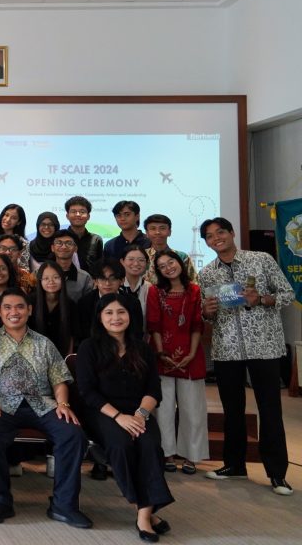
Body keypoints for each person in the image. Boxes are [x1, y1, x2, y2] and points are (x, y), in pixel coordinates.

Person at [0, 288, 90, 528]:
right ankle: (0, 500)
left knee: (72, 433)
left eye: (19, 307)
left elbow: (59, 379)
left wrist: (63, 404)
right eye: (7, 307)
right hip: (2, 404)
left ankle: (64, 505)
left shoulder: (44, 343)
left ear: (29, 310)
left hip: (42, 404)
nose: (13, 312)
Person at [198, 217, 293, 496]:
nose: (216, 239)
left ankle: (277, 474)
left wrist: (262, 299)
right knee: (232, 410)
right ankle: (234, 465)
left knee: (270, 409)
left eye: (221, 232)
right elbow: (210, 318)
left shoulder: (260, 260)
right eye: (210, 236)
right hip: (227, 349)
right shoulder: (206, 274)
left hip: (264, 345)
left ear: (232, 233)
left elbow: (288, 293)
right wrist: (208, 312)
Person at [77, 294, 173, 542]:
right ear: (100, 317)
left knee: (150, 445)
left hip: (138, 411)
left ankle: (144, 513)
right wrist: (119, 417)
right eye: (109, 312)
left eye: (121, 312)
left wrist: (140, 415)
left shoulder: (142, 347)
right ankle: (145, 512)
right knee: (120, 445)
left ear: (131, 316)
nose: (115, 318)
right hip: (103, 412)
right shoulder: (89, 347)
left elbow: (154, 390)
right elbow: (87, 392)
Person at [148, 249, 207, 476]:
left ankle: (192, 456)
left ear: (180, 262)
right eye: (162, 265)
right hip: (162, 355)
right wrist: (161, 353)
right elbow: (153, 325)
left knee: (193, 409)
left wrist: (191, 354)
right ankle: (167, 453)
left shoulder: (195, 290)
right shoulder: (155, 291)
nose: (168, 267)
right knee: (163, 409)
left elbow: (196, 325)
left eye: (170, 262)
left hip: (190, 356)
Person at [32, 261, 78, 357]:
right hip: (35, 355)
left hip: (61, 355)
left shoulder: (71, 304)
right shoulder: (31, 301)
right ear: (40, 280)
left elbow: (71, 335)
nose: (51, 281)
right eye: (46, 278)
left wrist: (67, 358)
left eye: (56, 277)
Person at [77, 260, 125, 345]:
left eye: (113, 278)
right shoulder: (85, 303)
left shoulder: (132, 302)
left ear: (122, 281)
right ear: (95, 281)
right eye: (102, 278)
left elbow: (135, 333)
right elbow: (84, 334)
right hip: (94, 349)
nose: (107, 283)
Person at [143, 214, 198, 285]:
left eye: (162, 228)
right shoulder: (141, 256)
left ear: (169, 232)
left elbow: (194, 283)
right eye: (153, 229)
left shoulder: (182, 257)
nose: (157, 232)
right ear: (147, 233)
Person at [64, 196, 103, 274]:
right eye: (74, 211)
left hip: (91, 283)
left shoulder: (96, 240)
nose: (78, 215)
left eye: (82, 212)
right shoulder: (60, 239)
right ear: (67, 216)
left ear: (88, 216)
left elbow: (100, 265)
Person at [52, 229, 94, 301]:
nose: (64, 247)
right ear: (52, 248)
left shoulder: (84, 278)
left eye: (68, 243)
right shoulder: (40, 274)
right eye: (59, 243)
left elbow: (88, 306)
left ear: (75, 248)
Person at [0, 204, 30, 270]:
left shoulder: (23, 244)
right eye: (6, 215)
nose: (8, 220)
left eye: (13, 218)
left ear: (19, 222)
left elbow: (24, 269)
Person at [121, 245, 152, 320]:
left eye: (141, 260)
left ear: (147, 263)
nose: (135, 264)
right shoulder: (115, 286)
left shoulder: (149, 288)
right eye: (131, 259)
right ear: (122, 261)